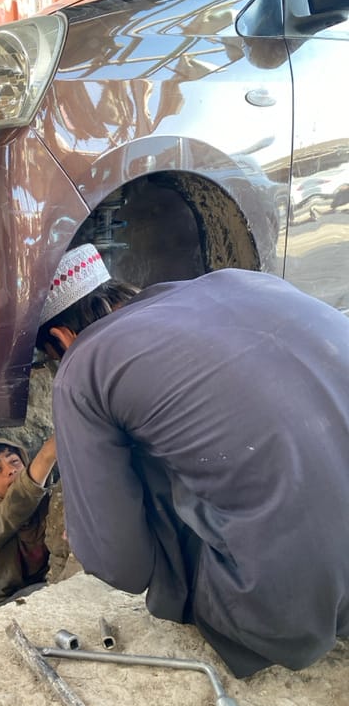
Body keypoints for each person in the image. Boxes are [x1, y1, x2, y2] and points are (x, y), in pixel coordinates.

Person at [36, 242, 349, 678]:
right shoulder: (239, 281)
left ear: (60, 337)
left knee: (140, 463)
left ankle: (262, 610)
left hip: (296, 603)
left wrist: (92, 530)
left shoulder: (82, 365)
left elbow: (119, 566)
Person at [0, 435, 57, 608]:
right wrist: (46, 456)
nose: (10, 470)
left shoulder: (49, 502)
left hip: (47, 592)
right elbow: (8, 514)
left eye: (14, 462)